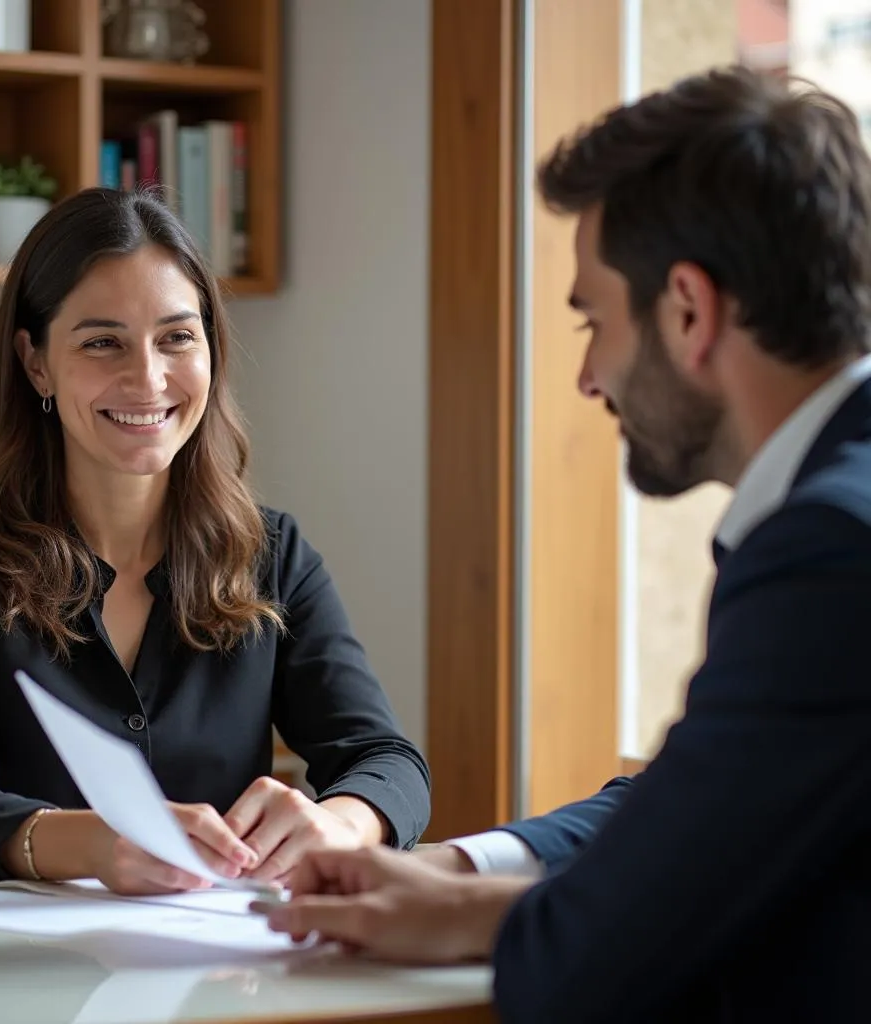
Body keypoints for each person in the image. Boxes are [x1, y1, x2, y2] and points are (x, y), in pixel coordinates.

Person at [255, 65, 871, 1022]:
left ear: (689, 312)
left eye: (593, 320)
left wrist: (490, 920)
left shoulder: (829, 552)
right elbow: (699, 804)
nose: (588, 377)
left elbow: (603, 961)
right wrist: (466, 875)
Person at [0, 187, 430, 893]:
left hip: (199, 968)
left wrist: (341, 823)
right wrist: (96, 844)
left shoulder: (273, 555)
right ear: (35, 361)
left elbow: (388, 762)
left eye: (177, 337)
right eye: (103, 342)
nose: (148, 377)